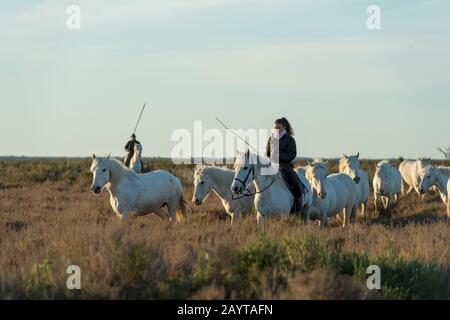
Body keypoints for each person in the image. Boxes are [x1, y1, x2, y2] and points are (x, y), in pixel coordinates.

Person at [266, 117, 304, 214]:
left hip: (286, 168)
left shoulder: (290, 140)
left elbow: (292, 154)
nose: (276, 130)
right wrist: (268, 158)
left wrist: (279, 156)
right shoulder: (271, 139)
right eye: (275, 128)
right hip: (272, 168)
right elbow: (267, 153)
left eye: (279, 128)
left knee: (296, 185)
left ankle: (298, 207)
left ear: (284, 127)